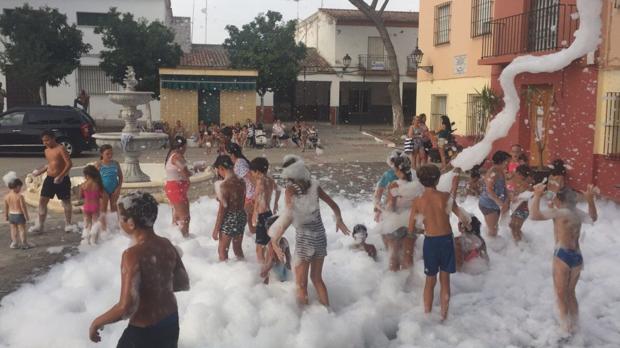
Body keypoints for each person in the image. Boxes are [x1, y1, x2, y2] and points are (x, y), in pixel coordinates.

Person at [89, 191, 190, 347]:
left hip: (144, 328)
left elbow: (126, 308)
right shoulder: (166, 244)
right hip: (170, 320)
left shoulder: (132, 255)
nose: (118, 222)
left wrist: (97, 322)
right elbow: (182, 282)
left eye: (120, 218)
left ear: (131, 223)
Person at [269, 155, 350, 306]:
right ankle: (328, 313)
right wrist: (339, 219)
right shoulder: (314, 185)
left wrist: (275, 240)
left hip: (305, 240)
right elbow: (333, 204)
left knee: (301, 285)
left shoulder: (290, 190)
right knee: (317, 279)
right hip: (320, 237)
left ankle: (306, 320)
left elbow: (288, 217)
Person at [530, 183, 598, 334]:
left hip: (562, 255)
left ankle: (565, 328)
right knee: (571, 293)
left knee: (561, 294)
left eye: (556, 199)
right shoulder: (577, 213)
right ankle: (575, 324)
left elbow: (534, 215)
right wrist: (590, 200)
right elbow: (593, 218)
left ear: (560, 201)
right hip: (577, 257)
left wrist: (536, 195)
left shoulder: (560, 213)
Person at [408, 164, 471, 321]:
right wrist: (467, 224)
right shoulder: (445, 197)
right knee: (445, 280)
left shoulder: (418, 200)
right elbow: (462, 216)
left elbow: (411, 228)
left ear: (421, 181)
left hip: (430, 242)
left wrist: (423, 231)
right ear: (437, 179)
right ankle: (444, 316)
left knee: (430, 280)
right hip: (446, 240)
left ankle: (427, 314)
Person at [382, 155, 422, 271]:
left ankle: (394, 283)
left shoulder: (395, 185)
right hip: (412, 223)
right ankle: (408, 283)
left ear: (398, 170)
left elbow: (391, 206)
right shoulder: (417, 185)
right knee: (408, 254)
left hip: (396, 222)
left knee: (394, 255)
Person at [30, 130, 74, 233]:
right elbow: (50, 164)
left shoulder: (61, 148)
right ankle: (40, 225)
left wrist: (61, 176)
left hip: (62, 179)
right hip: (49, 179)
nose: (45, 142)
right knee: (42, 201)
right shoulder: (46, 150)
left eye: (47, 140)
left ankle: (68, 224)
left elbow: (69, 164)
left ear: (53, 138)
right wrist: (39, 172)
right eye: (43, 141)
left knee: (66, 201)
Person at [212, 155, 247, 261]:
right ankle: (243, 267)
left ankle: (224, 274)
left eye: (218, 170)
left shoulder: (224, 185)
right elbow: (241, 199)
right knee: (237, 248)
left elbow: (222, 210)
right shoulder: (241, 181)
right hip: (241, 215)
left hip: (229, 218)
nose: (218, 173)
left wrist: (216, 229)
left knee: (222, 251)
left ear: (221, 168)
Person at [250, 157, 281, 264]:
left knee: (259, 248)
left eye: (252, 172)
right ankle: (274, 267)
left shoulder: (260, 181)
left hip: (261, 215)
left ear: (257, 171)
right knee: (270, 244)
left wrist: (254, 214)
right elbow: (278, 189)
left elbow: (259, 198)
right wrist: (276, 203)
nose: (252, 174)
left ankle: (263, 272)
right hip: (269, 214)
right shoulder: (270, 180)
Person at [478, 151, 511, 237]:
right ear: (503, 162)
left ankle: (494, 246)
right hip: (488, 204)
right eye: (508, 161)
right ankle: (491, 247)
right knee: (493, 230)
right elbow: (489, 190)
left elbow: (504, 187)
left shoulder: (500, 171)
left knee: (494, 228)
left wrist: (507, 199)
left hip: (494, 203)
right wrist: (500, 203)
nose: (509, 164)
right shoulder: (493, 172)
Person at [164, 136, 192, 237]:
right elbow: (185, 171)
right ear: (181, 146)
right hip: (176, 189)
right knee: (184, 218)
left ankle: (176, 239)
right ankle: (184, 239)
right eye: (185, 147)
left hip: (174, 188)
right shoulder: (176, 156)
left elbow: (184, 170)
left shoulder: (172, 155)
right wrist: (195, 170)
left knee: (177, 217)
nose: (185, 149)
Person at [226, 143, 256, 235]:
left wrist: (256, 194)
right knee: (251, 220)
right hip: (248, 195)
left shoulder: (239, 163)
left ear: (232, 154)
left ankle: (258, 244)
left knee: (252, 222)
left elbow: (251, 177)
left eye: (227, 154)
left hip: (250, 195)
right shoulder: (240, 161)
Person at [96, 144, 123, 232]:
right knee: (103, 209)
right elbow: (94, 179)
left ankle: (115, 227)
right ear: (101, 154)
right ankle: (103, 228)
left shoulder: (115, 163)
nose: (110, 156)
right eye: (107, 154)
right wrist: (102, 190)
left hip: (114, 189)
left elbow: (120, 176)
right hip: (103, 190)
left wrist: (118, 188)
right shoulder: (99, 165)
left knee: (114, 208)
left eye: (111, 153)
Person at [260, 215, 292, 284]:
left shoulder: (271, 244)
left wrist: (265, 271)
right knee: (282, 287)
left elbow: (272, 260)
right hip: (283, 270)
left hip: (275, 271)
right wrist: (288, 266)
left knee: (272, 288)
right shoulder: (284, 240)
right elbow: (288, 257)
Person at [4, 176, 31, 249]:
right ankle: (24, 243)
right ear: (17, 186)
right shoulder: (20, 196)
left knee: (13, 230)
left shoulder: (7, 196)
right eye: (20, 187)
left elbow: (6, 207)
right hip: (19, 215)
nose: (20, 189)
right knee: (22, 230)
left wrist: (6, 215)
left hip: (11, 215)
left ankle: (14, 243)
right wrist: (26, 216)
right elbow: (23, 207)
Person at [80, 165, 104, 244]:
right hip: (95, 206)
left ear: (87, 175)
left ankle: (86, 240)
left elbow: (81, 196)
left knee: (87, 223)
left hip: (86, 206)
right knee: (95, 223)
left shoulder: (83, 185)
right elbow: (102, 196)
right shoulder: (98, 185)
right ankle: (93, 241)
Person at [509, 164, 532, 243]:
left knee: (515, 228)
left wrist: (518, 197)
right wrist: (513, 195)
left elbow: (529, 195)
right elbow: (514, 193)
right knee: (513, 226)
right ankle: (522, 243)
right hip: (518, 208)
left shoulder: (526, 184)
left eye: (517, 173)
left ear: (521, 174)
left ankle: (521, 246)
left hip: (522, 209)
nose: (516, 174)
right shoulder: (519, 182)